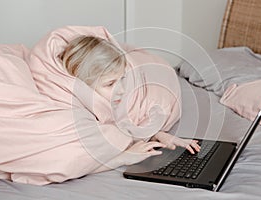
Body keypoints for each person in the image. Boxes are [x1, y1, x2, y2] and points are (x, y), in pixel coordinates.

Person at [59, 35, 201, 171]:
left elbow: (125, 123)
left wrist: (156, 134)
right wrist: (124, 158)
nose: (121, 90)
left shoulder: (119, 97)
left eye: (122, 79)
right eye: (110, 84)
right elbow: (69, 164)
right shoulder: (69, 114)